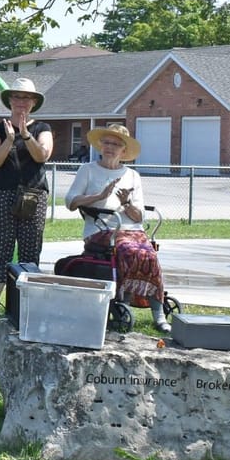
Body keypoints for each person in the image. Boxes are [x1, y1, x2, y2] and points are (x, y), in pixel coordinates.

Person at [64, 122, 169, 332]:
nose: (109, 147)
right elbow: (70, 202)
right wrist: (99, 197)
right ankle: (125, 302)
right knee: (128, 251)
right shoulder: (87, 170)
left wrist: (126, 203)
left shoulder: (132, 175)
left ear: (124, 150)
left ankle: (159, 315)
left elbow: (138, 215)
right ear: (100, 145)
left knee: (148, 253)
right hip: (101, 230)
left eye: (115, 144)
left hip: (132, 229)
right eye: (106, 143)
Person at [0, 77, 54, 320]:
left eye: (26, 98)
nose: (21, 102)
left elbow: (42, 155)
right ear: (10, 101)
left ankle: (27, 306)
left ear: (33, 102)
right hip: (2, 194)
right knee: (1, 249)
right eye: (17, 97)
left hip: (33, 194)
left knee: (30, 249)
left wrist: (25, 135)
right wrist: (10, 140)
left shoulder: (42, 128)